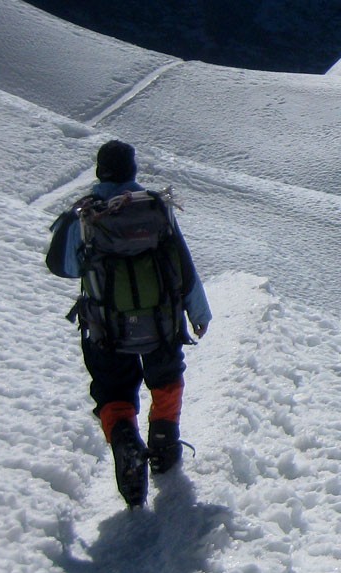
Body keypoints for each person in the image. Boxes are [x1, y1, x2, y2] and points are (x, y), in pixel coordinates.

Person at [48, 140, 211, 504]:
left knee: (114, 391)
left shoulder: (87, 215)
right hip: (161, 324)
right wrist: (198, 314)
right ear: (132, 171)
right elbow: (181, 265)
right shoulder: (154, 208)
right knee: (166, 380)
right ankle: (164, 445)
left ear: (99, 172)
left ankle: (126, 444)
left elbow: (64, 266)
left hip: (106, 329)